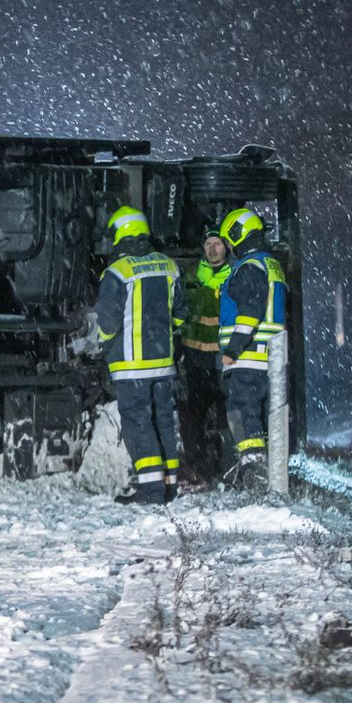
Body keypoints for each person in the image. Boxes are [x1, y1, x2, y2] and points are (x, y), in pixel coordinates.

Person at [95, 205, 185, 504]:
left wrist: (102, 345)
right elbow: (181, 316)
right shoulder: (169, 266)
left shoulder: (117, 272)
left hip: (131, 366)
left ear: (122, 233)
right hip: (164, 364)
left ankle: (150, 490)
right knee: (163, 422)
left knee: (138, 424)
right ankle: (170, 486)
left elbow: (107, 322)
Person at [215, 206, 287, 490]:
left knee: (243, 412)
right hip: (272, 358)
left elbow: (249, 313)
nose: (229, 247)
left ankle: (254, 474)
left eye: (229, 240)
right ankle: (264, 472)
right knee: (262, 415)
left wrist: (233, 349)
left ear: (237, 234)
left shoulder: (249, 268)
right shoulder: (271, 265)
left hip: (249, 357)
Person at [177, 231, 231, 486]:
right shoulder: (191, 274)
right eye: (208, 244)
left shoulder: (234, 274)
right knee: (192, 415)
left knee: (226, 415)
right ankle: (195, 465)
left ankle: (227, 466)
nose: (212, 250)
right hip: (195, 356)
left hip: (223, 357)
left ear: (225, 247)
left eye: (216, 245)